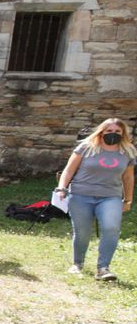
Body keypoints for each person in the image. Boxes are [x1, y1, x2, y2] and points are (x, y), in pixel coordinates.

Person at [55, 118, 134, 281]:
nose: (113, 134)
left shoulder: (127, 151)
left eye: (117, 131)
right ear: (102, 132)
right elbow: (69, 170)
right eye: (109, 131)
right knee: (82, 232)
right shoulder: (86, 147)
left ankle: (103, 268)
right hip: (80, 195)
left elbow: (128, 177)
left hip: (110, 196)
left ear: (123, 133)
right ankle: (77, 264)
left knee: (111, 228)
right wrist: (62, 188)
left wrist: (128, 200)